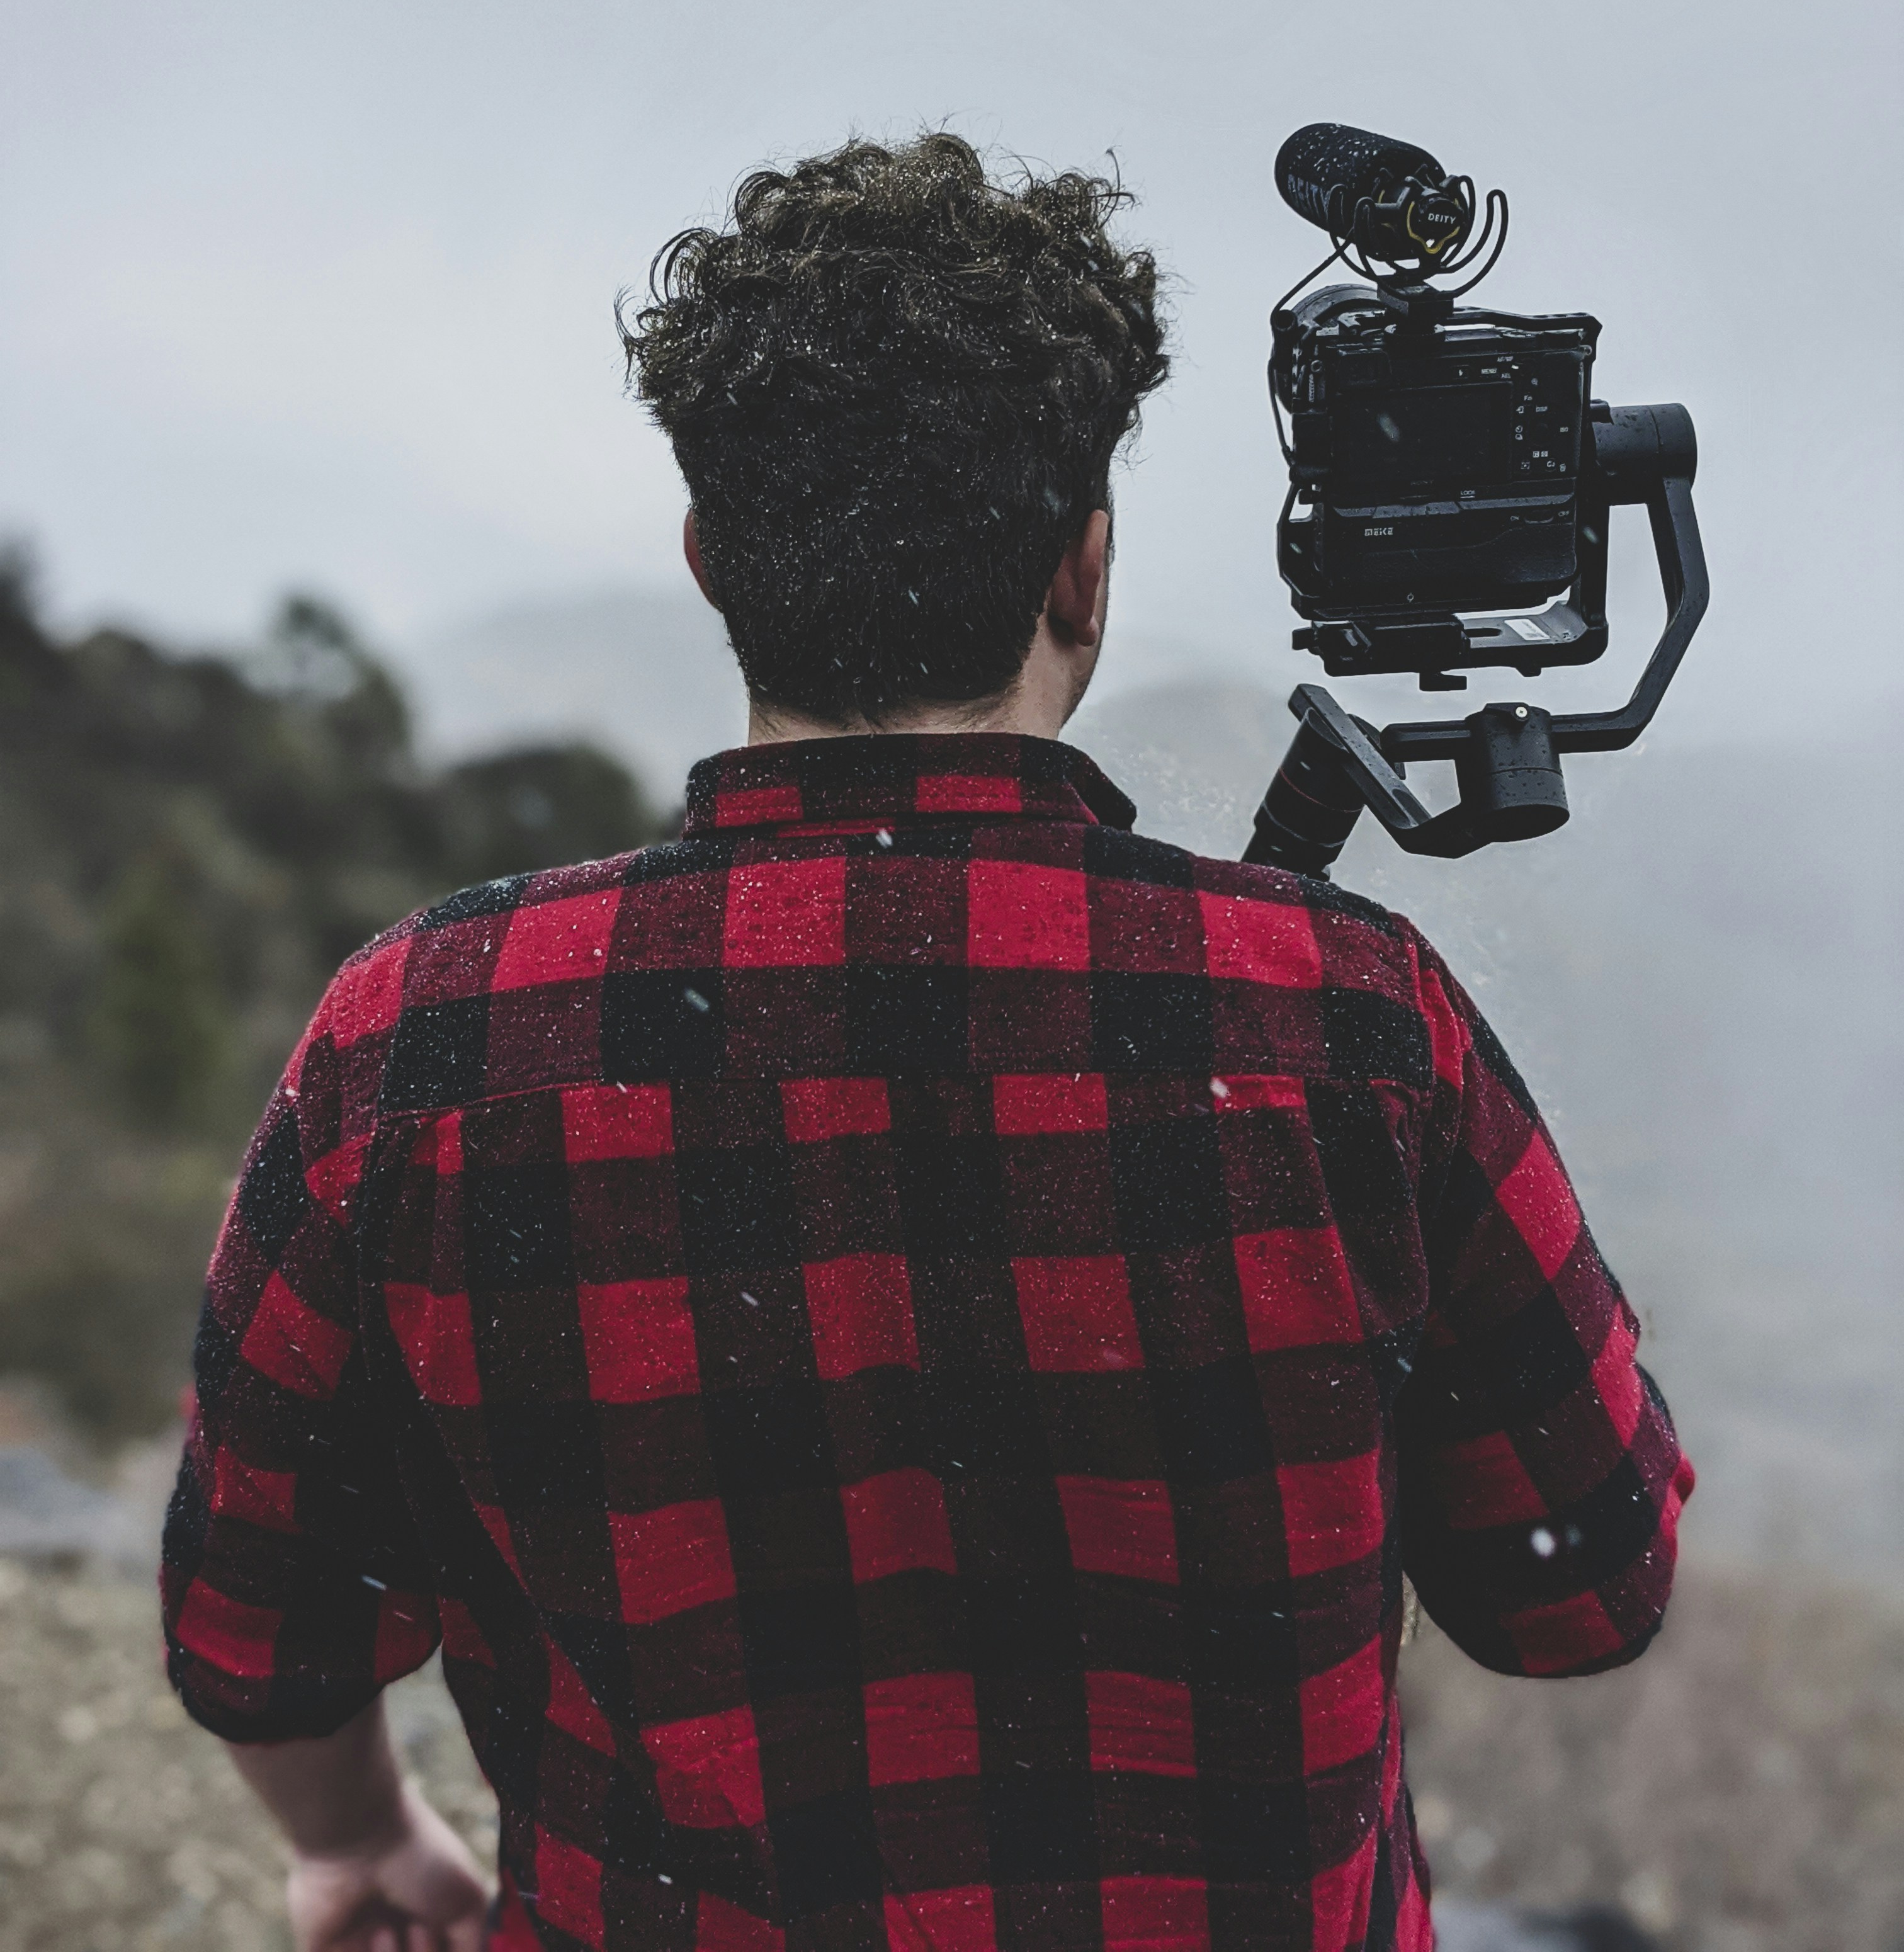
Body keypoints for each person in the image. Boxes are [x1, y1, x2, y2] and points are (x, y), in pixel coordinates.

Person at [162, 134, 1692, 1952]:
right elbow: (1581, 1593)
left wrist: (359, 1842)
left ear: (712, 556)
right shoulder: (1348, 1021)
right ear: (1084, 575)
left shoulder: (412, 1042)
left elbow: (258, 1625)